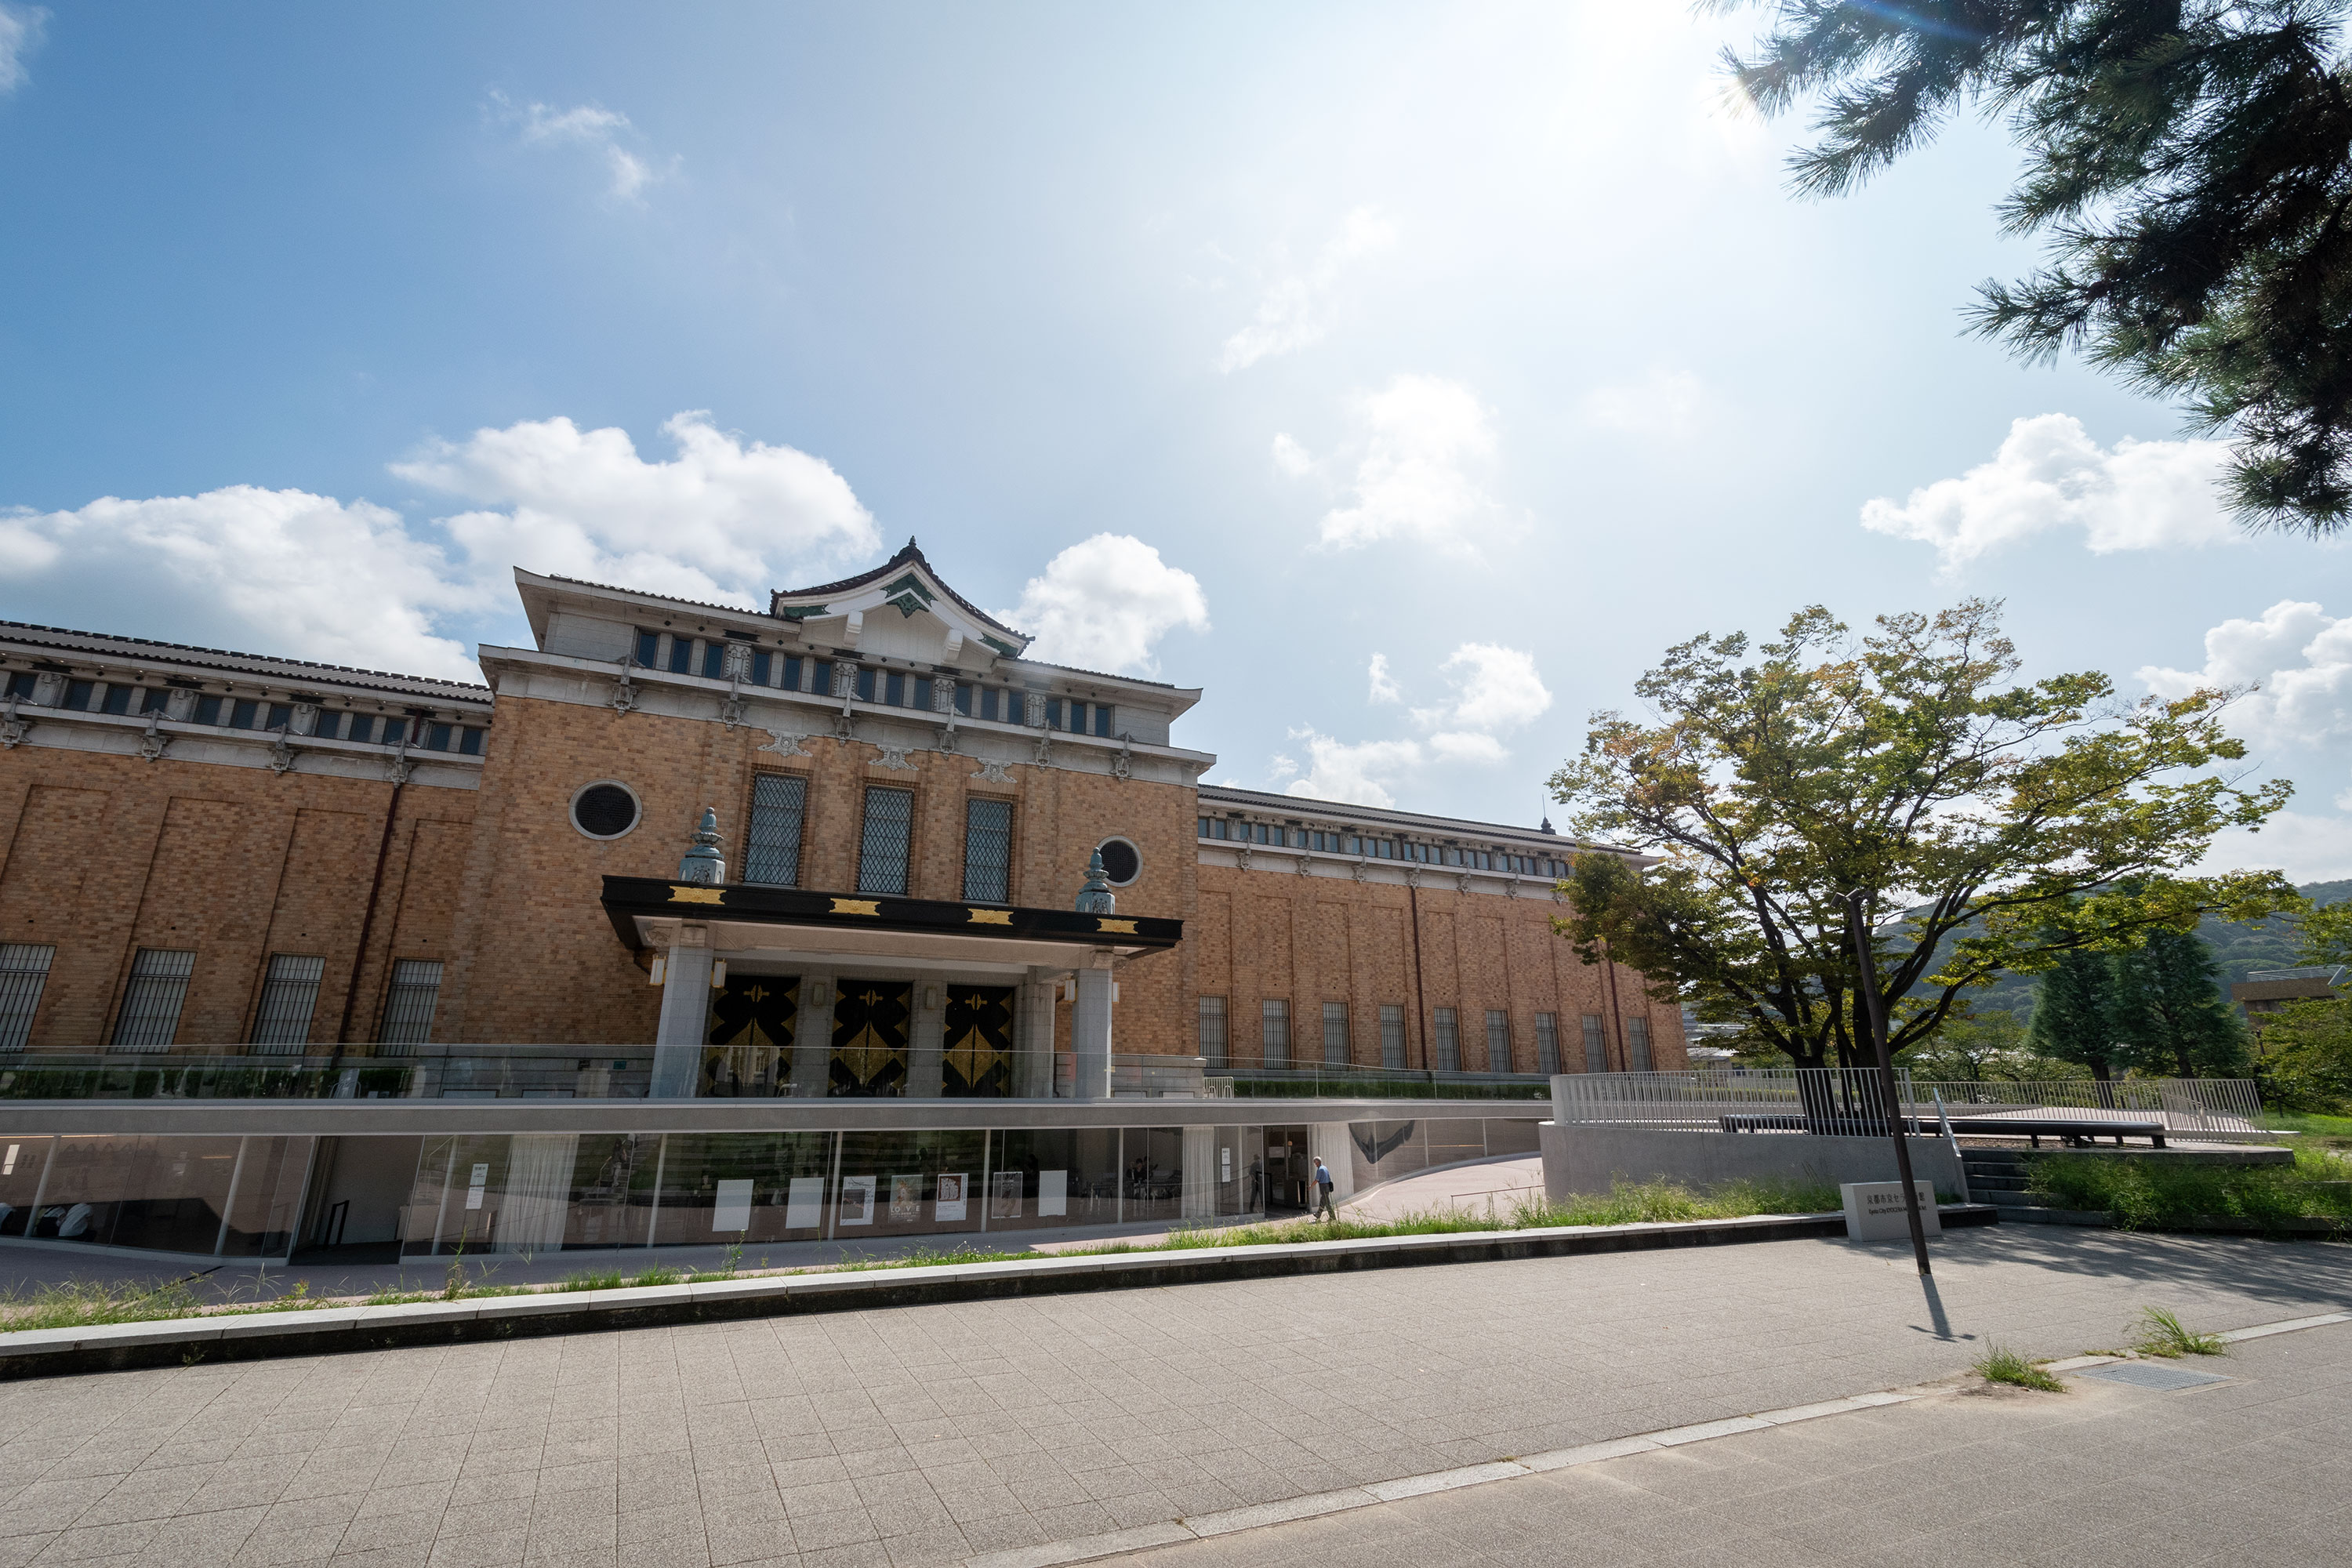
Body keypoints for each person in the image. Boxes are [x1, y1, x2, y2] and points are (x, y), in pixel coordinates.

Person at [1312, 1156, 1337, 1222]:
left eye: (1315, 1163)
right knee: (1323, 1201)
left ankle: (1332, 1217)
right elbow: (1329, 1177)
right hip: (1327, 1186)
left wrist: (1311, 1186)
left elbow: (1317, 1180)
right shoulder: (1325, 1168)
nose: (1315, 1164)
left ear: (1318, 1162)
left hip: (1323, 1186)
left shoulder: (1320, 1170)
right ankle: (1318, 1214)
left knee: (1327, 1203)